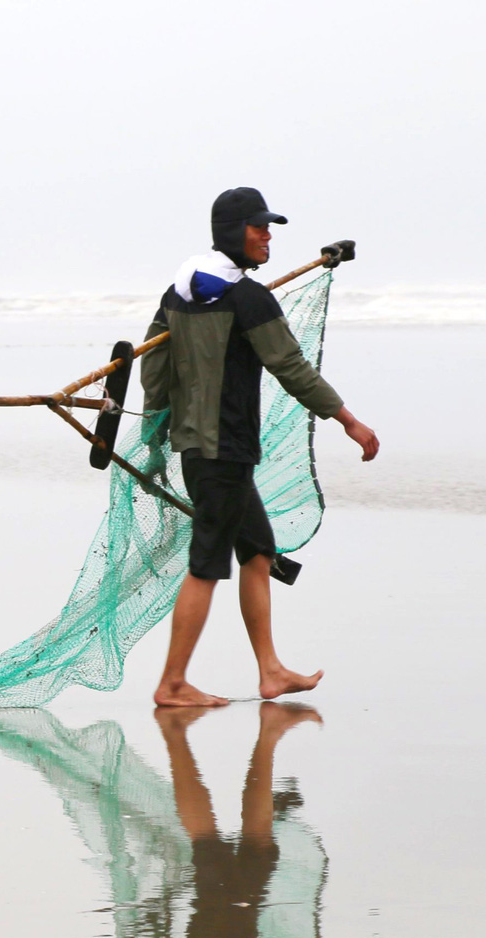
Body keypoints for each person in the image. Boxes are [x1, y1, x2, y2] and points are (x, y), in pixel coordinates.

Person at [140, 189, 379, 707]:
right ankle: (173, 683)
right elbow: (290, 367)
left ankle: (270, 671)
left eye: (269, 227)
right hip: (224, 450)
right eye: (258, 227)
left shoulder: (178, 294)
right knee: (206, 564)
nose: (268, 235)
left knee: (258, 551)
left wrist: (154, 432)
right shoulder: (248, 299)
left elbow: (153, 367)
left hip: (199, 451)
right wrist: (348, 420)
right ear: (232, 232)